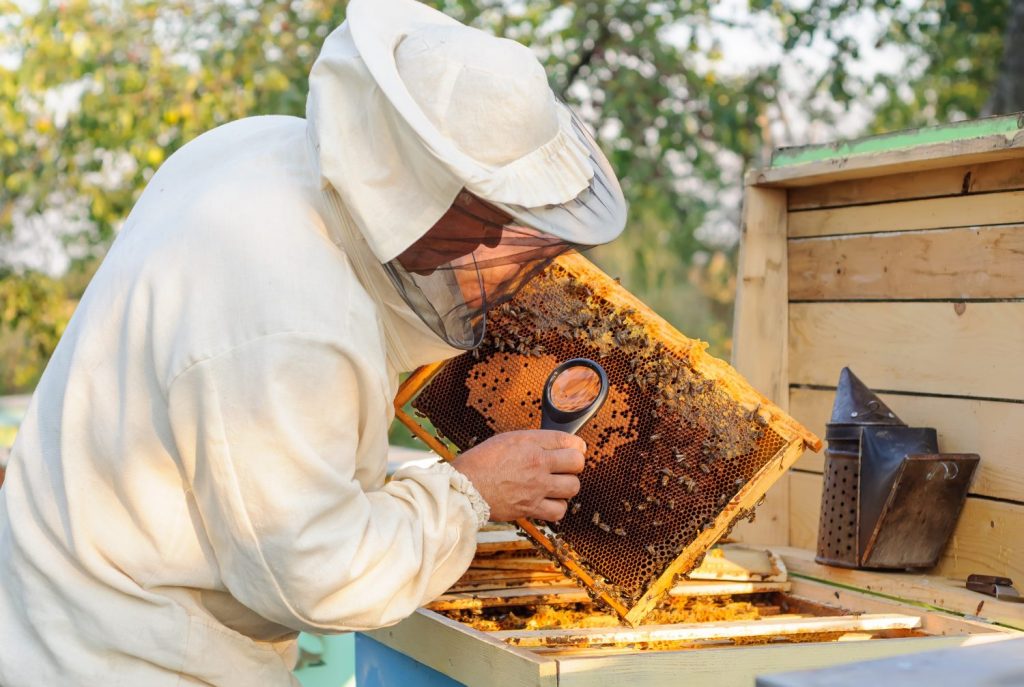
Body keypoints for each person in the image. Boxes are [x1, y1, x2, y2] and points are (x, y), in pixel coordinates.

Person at [0, 0, 626, 684]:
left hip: (79, 610)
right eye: (484, 215)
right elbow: (319, 575)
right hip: (124, 659)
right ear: (419, 184)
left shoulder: (262, 150)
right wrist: (471, 493)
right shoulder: (287, 308)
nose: (487, 243)